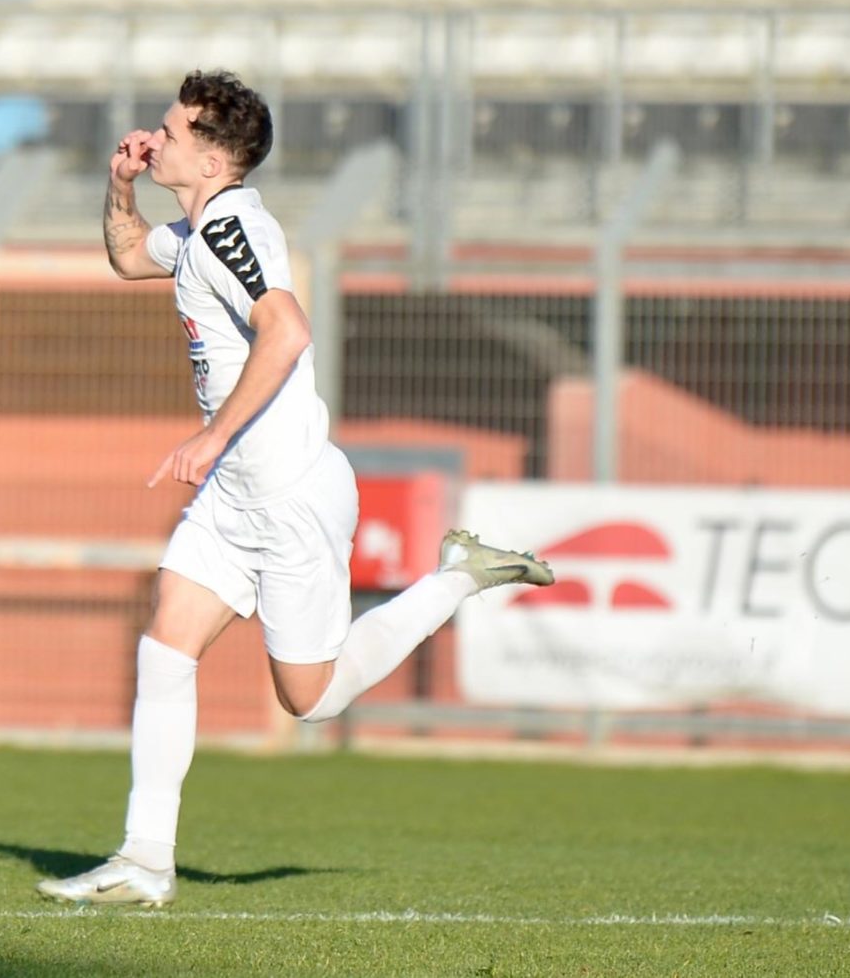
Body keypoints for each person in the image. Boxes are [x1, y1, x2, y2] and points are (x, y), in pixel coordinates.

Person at [36, 70, 554, 907]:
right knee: (166, 646)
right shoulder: (197, 230)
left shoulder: (230, 230)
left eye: (171, 132)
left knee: (310, 700)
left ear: (211, 160)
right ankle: (144, 861)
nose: (155, 139)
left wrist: (212, 435)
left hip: (291, 498)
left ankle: (456, 578)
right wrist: (119, 183)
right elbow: (129, 256)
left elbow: (287, 330)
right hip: (233, 498)